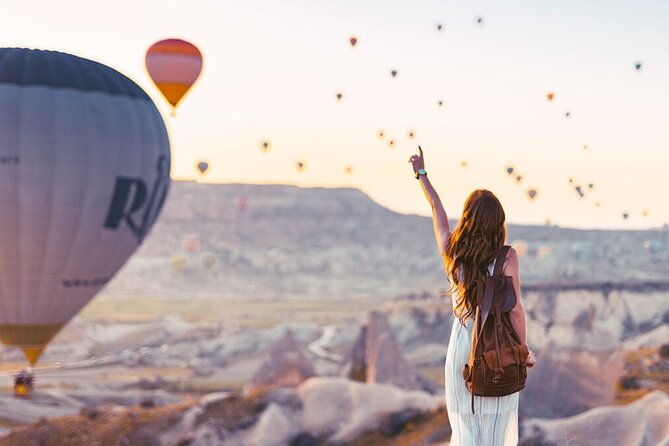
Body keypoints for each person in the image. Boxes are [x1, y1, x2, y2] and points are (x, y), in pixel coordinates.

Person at [409, 146, 536, 445]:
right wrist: (523, 350)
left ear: (467, 219)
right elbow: (515, 310)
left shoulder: (454, 252)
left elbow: (437, 211)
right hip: (497, 353)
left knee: (465, 432)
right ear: (498, 223)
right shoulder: (507, 257)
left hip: (461, 352)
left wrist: (422, 176)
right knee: (494, 434)